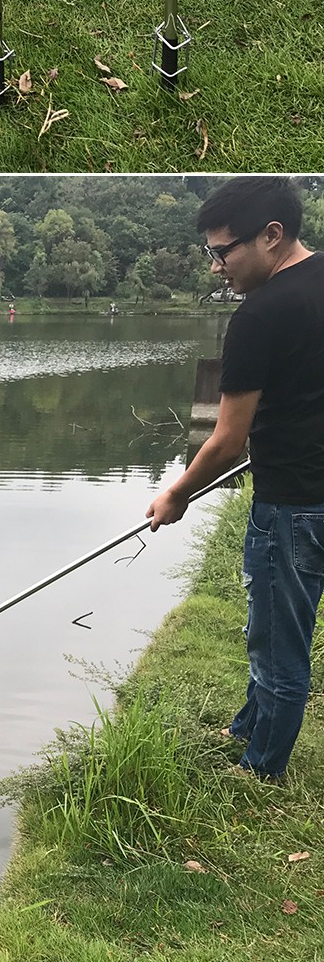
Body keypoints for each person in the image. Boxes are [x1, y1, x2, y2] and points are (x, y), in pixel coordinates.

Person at [147, 175, 324, 781]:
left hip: (293, 505)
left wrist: (177, 493)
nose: (216, 266)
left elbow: (228, 439)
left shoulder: (260, 314)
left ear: (272, 235)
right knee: (273, 627)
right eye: (211, 253)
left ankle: (259, 773)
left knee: (279, 646)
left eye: (224, 251)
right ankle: (248, 725)